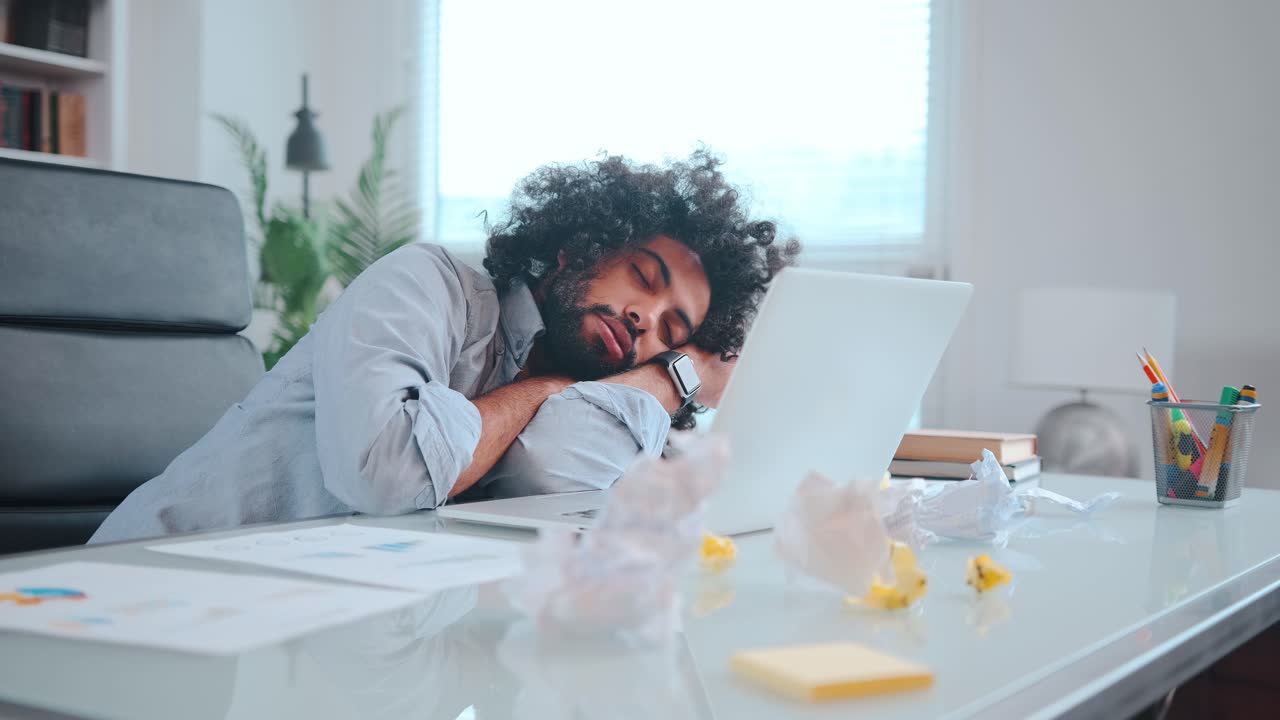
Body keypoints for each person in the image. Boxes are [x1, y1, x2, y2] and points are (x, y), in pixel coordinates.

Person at [89, 151, 799, 544]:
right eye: (644, 279)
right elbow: (386, 479)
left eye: (673, 330)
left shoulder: (579, 382)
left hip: (309, 607)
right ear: (581, 246)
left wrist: (661, 379)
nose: (647, 318)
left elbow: (556, 487)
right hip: (152, 582)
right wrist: (543, 391)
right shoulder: (427, 283)